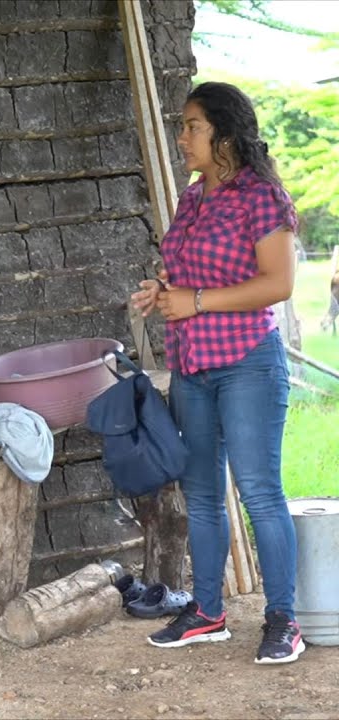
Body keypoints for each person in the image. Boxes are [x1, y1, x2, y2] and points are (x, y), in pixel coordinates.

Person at [132, 81, 304, 665]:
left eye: (192, 126)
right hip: (192, 367)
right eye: (181, 127)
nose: (181, 137)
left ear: (224, 132)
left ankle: (283, 618)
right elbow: (185, 272)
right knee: (202, 496)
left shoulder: (261, 196)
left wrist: (198, 301)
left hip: (248, 364)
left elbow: (278, 285)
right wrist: (162, 292)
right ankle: (208, 613)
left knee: (259, 492)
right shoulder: (194, 196)